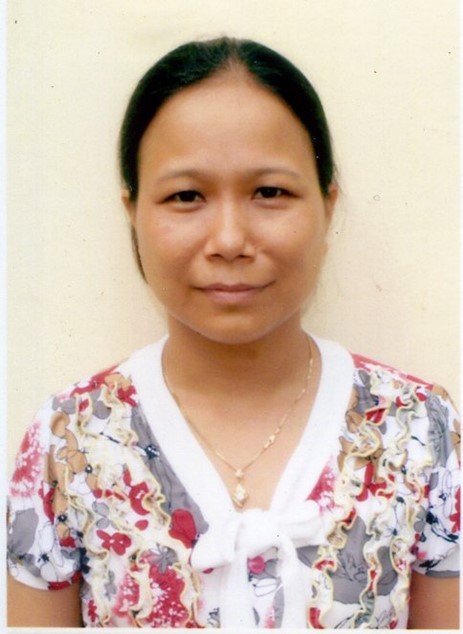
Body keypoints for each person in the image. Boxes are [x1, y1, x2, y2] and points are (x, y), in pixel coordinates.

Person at [7, 37, 460, 629]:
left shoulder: (419, 429)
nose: (228, 240)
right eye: (186, 196)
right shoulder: (68, 441)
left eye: (270, 192)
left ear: (327, 205)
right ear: (133, 211)